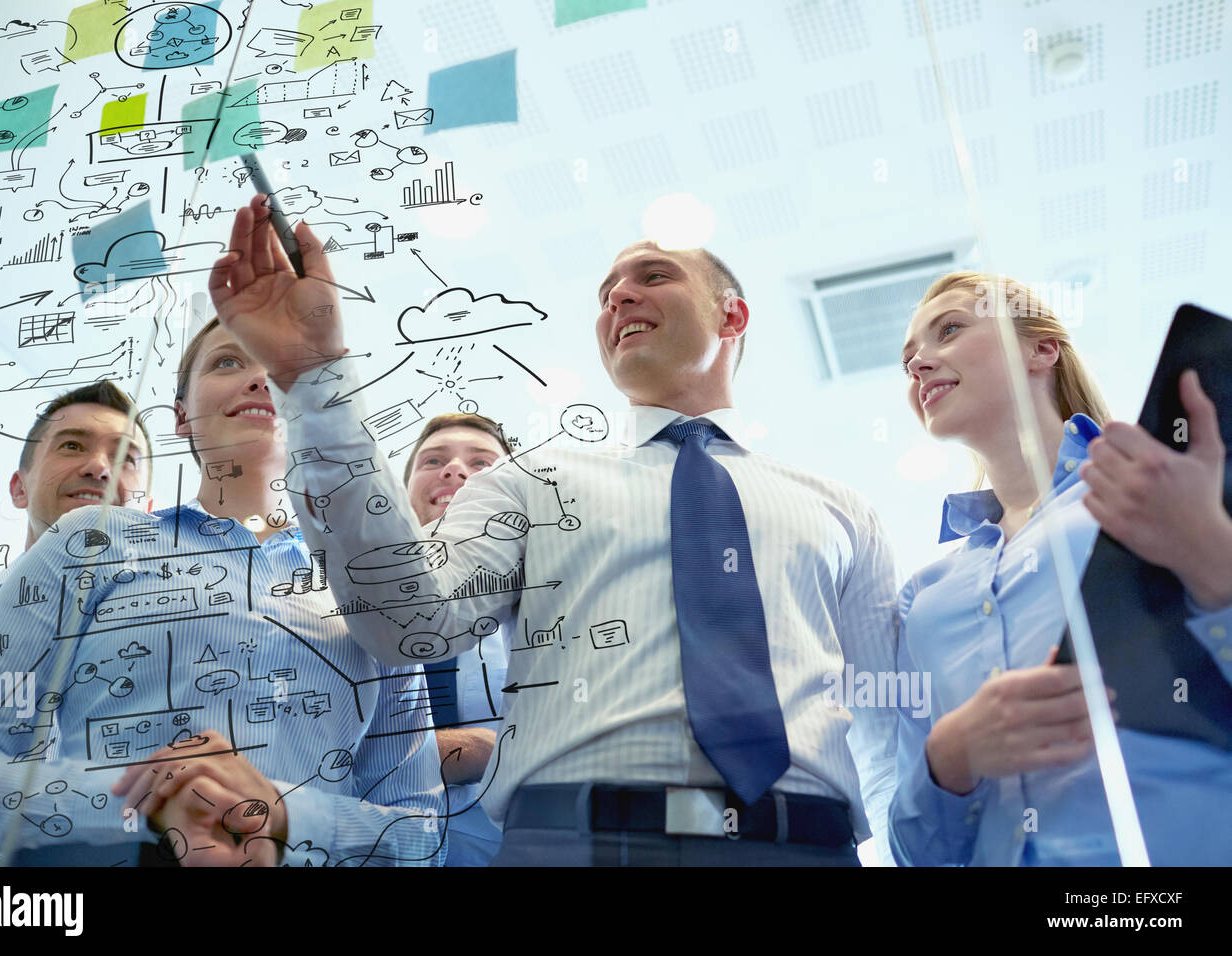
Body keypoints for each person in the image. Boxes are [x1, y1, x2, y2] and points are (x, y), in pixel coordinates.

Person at [206, 194, 900, 866]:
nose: (618, 298)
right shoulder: (527, 482)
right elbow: (408, 623)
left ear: (732, 313)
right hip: (569, 841)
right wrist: (314, 379)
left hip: (806, 844)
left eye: (652, 276)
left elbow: (890, 716)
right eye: (606, 293)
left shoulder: (841, 509)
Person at [0, 320, 444, 866]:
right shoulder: (87, 541)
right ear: (181, 415)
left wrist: (285, 818)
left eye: (283, 368)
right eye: (229, 361)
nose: (259, 379)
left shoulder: (376, 592)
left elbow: (423, 833)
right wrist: (150, 811)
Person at [891, 271, 1232, 865]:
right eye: (908, 358)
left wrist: (1212, 556)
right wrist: (949, 753)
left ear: (1042, 348)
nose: (919, 364)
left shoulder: (1160, 490)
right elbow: (916, 852)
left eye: (948, 330)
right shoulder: (924, 599)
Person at [0, 382, 154, 681]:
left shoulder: (170, 649)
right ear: (19, 488)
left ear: (148, 512)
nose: (99, 467)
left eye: (126, 458)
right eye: (72, 446)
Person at [402, 412, 513, 866]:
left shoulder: (554, 609)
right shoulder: (331, 603)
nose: (454, 470)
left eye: (482, 463)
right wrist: (475, 749)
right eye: (433, 461)